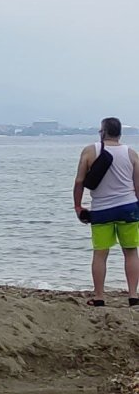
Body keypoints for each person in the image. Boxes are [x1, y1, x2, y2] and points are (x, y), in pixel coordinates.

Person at [74, 117, 139, 307]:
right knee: (131, 252)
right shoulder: (132, 154)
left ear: (103, 131)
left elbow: (79, 182)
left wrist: (78, 207)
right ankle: (133, 296)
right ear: (119, 133)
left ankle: (100, 297)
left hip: (102, 209)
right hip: (128, 208)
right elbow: (138, 186)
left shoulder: (90, 151)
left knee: (100, 253)